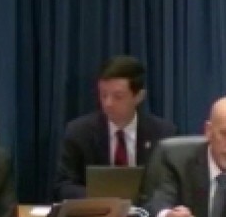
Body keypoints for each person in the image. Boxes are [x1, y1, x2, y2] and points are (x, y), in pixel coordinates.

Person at [55, 56, 177, 200]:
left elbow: (169, 186)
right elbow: (64, 185)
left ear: (139, 96)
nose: (108, 103)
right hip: (97, 211)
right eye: (103, 95)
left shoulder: (163, 133)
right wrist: (99, 197)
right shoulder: (79, 132)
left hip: (145, 211)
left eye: (118, 97)